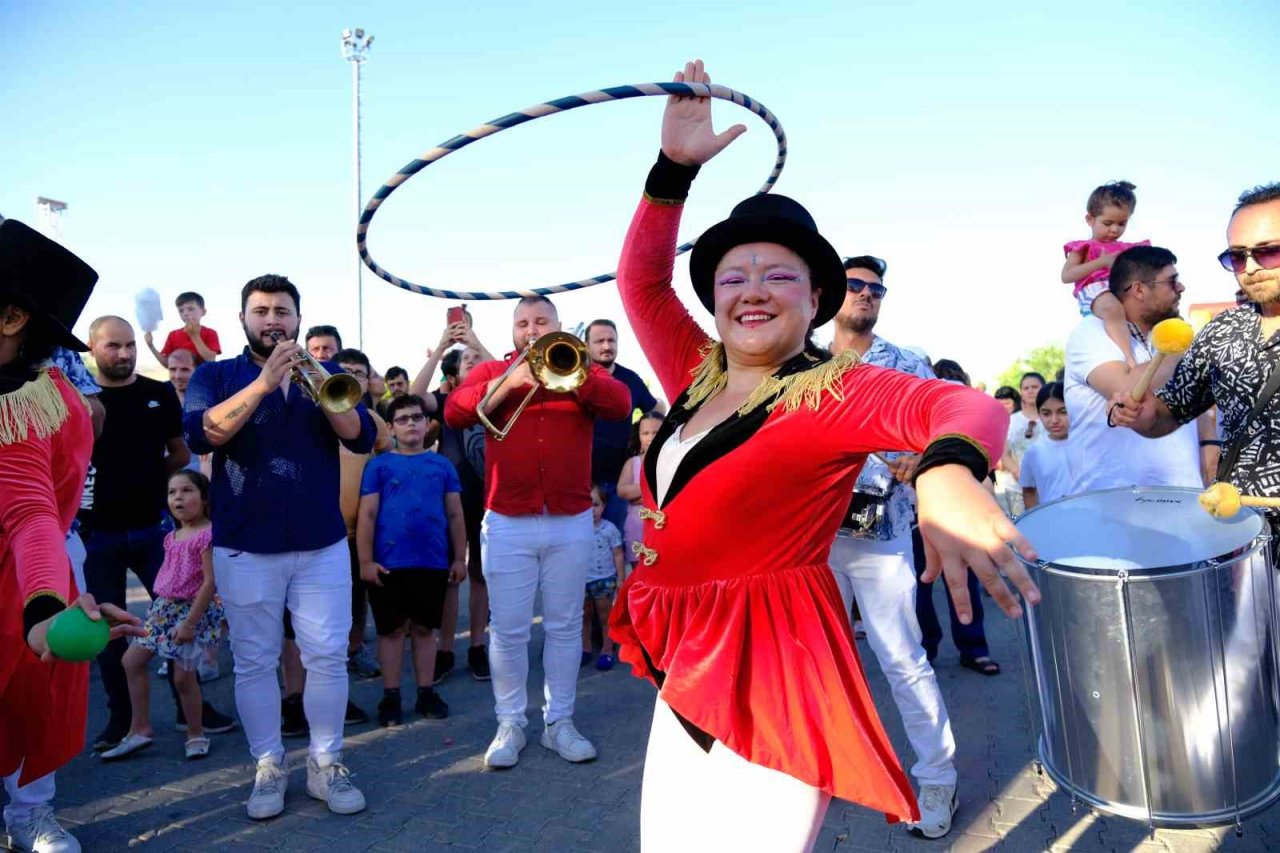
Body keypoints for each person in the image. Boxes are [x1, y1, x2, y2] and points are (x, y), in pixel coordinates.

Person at [608, 60, 1038, 852]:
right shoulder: (696, 370)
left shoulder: (830, 390)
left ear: (816, 298)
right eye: (733, 275)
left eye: (779, 274)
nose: (752, 288)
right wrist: (673, 171)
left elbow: (962, 404)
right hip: (687, 665)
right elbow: (639, 282)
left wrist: (947, 469)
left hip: (775, 671)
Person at [183, 274, 376, 820]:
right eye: (262, 311)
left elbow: (359, 436)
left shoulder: (327, 373)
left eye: (283, 312)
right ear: (244, 318)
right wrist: (265, 383)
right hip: (246, 545)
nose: (273, 320)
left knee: (327, 659)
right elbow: (202, 435)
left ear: (297, 318)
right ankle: (269, 765)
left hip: (320, 544)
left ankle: (326, 762)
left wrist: (317, 383)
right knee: (254, 663)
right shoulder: (214, 374)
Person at [1, 216, 143, 853]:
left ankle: (30, 813)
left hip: (30, 573)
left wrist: (43, 610)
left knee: (33, 691)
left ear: (10, 319)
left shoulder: (39, 404)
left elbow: (30, 514)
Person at [445, 295, 631, 770]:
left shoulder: (581, 367)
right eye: (523, 323)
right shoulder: (493, 373)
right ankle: (510, 723)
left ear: (558, 325)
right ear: (512, 331)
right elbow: (456, 412)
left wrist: (578, 375)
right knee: (506, 630)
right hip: (508, 518)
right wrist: (512, 381)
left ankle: (559, 722)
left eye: (541, 321)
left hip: (569, 518)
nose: (532, 330)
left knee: (565, 625)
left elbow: (620, 404)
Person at [825, 254, 961, 839]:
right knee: (815, 660)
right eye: (854, 285)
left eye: (875, 288)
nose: (865, 295)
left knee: (903, 658)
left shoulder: (907, 363)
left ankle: (937, 777)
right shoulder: (797, 363)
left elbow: (946, 421)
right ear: (831, 292)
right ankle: (817, 770)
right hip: (810, 537)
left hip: (881, 537)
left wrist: (923, 451)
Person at [81, 315, 235, 750]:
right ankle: (122, 721)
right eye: (113, 346)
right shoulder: (80, 400)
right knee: (109, 634)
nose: (125, 353)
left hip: (155, 531)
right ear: (94, 349)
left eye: (130, 345)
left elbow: (179, 452)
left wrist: (152, 486)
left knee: (178, 620)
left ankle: (196, 715)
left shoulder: (158, 393)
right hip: (100, 535)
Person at [1111, 183, 1280, 521]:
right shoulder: (1220, 331)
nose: (1250, 268)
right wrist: (1142, 416)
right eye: (1236, 256)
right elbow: (1168, 412)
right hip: (1240, 537)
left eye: (1268, 252)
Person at [358, 395, 467, 727]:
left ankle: (426, 691)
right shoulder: (378, 465)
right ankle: (391, 695)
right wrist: (365, 561)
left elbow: (455, 514)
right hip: (389, 563)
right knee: (390, 633)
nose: (410, 424)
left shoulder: (442, 466)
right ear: (390, 427)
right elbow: (368, 514)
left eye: (416, 418)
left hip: (431, 563)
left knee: (424, 630)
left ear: (426, 424)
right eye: (402, 419)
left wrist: (459, 558)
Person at [101, 471, 224, 762]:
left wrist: (190, 622)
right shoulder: (170, 536)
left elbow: (209, 582)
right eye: (172, 492)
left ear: (204, 498)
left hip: (188, 612)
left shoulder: (207, 535)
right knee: (131, 660)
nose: (178, 497)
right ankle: (139, 728)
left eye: (187, 490)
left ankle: (195, 733)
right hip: (163, 610)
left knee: (183, 678)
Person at [1064, 246, 1201, 494]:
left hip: (1184, 499)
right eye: (1172, 281)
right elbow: (1126, 392)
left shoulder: (1164, 336)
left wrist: (1210, 447)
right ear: (1138, 289)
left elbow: (1194, 403)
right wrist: (1178, 348)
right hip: (1112, 505)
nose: (1181, 288)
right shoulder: (1091, 332)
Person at [417, 340, 491, 683]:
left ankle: (477, 646)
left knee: (480, 574)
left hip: (488, 499)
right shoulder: (447, 401)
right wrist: (442, 346)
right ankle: (445, 649)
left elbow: (507, 369)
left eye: (479, 359)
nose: (475, 362)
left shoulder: (499, 399)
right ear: (455, 375)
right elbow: (416, 398)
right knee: (450, 575)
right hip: (451, 502)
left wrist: (474, 340)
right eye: (467, 361)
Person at [333, 348, 392, 681]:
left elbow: (386, 459)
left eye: (359, 372)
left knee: (358, 597)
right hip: (320, 532)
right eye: (345, 371)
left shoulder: (372, 422)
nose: (352, 377)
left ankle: (354, 650)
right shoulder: (315, 414)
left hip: (360, 533)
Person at [1061, 181, 1151, 367]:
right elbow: (1067, 275)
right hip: (1093, 290)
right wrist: (1100, 262)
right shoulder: (1082, 247)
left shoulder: (1125, 248)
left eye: (1122, 223)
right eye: (1108, 223)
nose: (1114, 229)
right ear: (1090, 219)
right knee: (1113, 309)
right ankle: (1129, 357)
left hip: (1120, 289)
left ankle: (1149, 353)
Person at [586, 318, 663, 535]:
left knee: (616, 543)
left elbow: (655, 408)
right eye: (599, 341)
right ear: (586, 346)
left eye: (611, 340)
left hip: (619, 480)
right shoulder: (576, 378)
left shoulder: (630, 379)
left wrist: (645, 437)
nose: (606, 346)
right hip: (583, 482)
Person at [582, 485, 625, 671]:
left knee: (605, 616)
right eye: (586, 505)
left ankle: (607, 650)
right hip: (582, 580)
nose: (591, 510)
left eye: (596, 504)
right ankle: (586, 648)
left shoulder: (610, 529)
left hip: (604, 579)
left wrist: (621, 578)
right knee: (584, 616)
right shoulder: (576, 530)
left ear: (604, 506)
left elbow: (618, 554)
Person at [617, 412, 665, 572]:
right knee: (639, 574)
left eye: (656, 432)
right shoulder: (633, 463)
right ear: (638, 435)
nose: (650, 437)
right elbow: (622, 491)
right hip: (637, 528)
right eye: (645, 433)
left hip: (664, 528)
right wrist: (654, 486)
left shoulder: (672, 460)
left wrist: (638, 494)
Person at [997, 372, 1044, 517]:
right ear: (1021, 392)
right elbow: (1005, 455)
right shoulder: (1010, 420)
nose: (1030, 391)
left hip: (1048, 485)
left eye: (1035, 387)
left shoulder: (1052, 417)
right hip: (1017, 487)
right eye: (1026, 388)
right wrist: (1019, 473)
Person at [1020, 383, 1072, 509]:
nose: (1054, 420)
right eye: (1046, 414)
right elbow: (1028, 491)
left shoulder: (1087, 443)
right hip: (1052, 520)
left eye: (1063, 412)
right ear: (1039, 414)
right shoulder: (1034, 451)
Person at [144, 292, 221, 368]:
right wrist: (151, 345)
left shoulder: (210, 333)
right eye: (181, 310)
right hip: (181, 379)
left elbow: (210, 359)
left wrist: (194, 336)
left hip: (203, 378)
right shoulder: (173, 335)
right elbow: (167, 364)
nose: (185, 313)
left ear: (203, 312)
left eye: (191, 309)